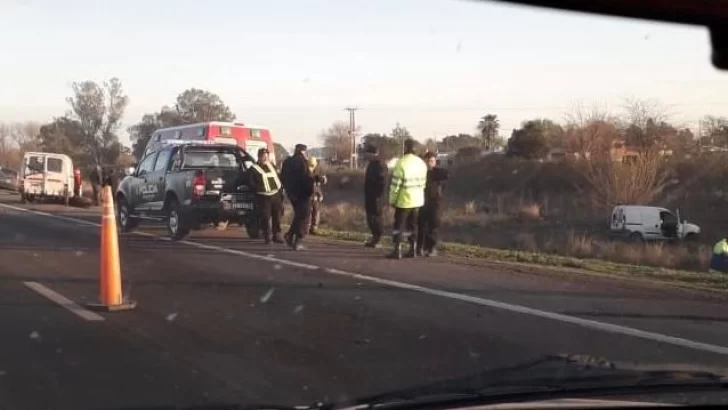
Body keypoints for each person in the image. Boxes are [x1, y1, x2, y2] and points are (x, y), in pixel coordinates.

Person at [387, 139, 428, 259]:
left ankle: (397, 250)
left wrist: (392, 200)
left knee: (399, 225)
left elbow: (395, 185)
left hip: (404, 200)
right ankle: (413, 249)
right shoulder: (421, 163)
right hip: (418, 200)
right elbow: (423, 183)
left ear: (405, 148)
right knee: (413, 225)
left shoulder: (401, 163)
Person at [281, 144, 314, 250]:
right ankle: (298, 240)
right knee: (304, 216)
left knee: (299, 215)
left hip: (292, 193)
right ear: (303, 152)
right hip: (302, 193)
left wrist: (289, 191)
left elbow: (283, 177)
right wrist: (315, 180)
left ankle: (290, 235)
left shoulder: (287, 161)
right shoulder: (302, 162)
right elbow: (305, 178)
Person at [249, 148, 285, 244]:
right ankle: (267, 235)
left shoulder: (272, 165)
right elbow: (251, 183)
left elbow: (278, 177)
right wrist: (257, 190)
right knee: (265, 216)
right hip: (263, 196)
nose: (265, 158)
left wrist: (281, 190)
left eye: (266, 156)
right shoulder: (253, 168)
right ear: (259, 156)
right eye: (263, 156)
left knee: (277, 216)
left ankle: (277, 235)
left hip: (276, 194)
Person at [417, 151, 448, 257]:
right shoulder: (420, 173)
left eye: (431, 161)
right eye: (427, 161)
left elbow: (445, 176)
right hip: (422, 202)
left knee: (433, 226)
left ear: (435, 162)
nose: (429, 163)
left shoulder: (439, 173)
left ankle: (431, 248)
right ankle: (420, 247)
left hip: (435, 203)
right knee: (421, 226)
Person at [363, 144, 387, 248]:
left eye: (367, 153)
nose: (366, 155)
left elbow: (382, 182)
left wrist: (378, 195)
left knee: (376, 217)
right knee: (370, 217)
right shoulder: (372, 164)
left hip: (376, 196)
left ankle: (378, 238)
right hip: (370, 195)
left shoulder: (379, 165)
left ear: (372, 153)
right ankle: (374, 237)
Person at [307, 156, 328, 235]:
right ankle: (307, 227)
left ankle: (314, 228)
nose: (311, 167)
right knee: (309, 212)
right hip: (309, 195)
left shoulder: (318, 171)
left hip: (316, 195)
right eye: (310, 165)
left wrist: (321, 178)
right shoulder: (305, 172)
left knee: (316, 211)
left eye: (313, 165)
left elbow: (324, 180)